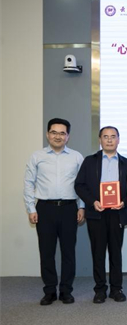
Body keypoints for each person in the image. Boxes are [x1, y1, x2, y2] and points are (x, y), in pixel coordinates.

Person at [23, 118, 85, 305]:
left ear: (68, 136)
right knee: (46, 252)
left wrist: (81, 206)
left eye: (62, 133)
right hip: (45, 209)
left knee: (68, 253)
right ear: (47, 134)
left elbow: (82, 185)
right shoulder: (37, 156)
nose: (58, 136)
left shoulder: (76, 157)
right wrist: (31, 208)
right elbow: (29, 183)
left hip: (69, 209)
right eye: (54, 132)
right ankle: (49, 291)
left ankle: (66, 291)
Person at [75, 126, 127, 303]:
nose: (109, 140)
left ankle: (116, 289)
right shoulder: (89, 161)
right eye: (105, 137)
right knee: (98, 253)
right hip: (96, 213)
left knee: (116, 252)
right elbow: (79, 185)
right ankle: (99, 289)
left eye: (113, 136)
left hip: (117, 213)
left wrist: (124, 201)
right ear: (100, 140)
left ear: (118, 140)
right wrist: (93, 202)